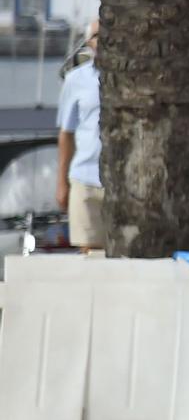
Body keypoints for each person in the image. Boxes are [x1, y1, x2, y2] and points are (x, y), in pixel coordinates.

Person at [55, 20, 102, 253]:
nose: (103, 41)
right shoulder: (75, 80)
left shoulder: (136, 80)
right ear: (88, 43)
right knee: (89, 254)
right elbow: (66, 134)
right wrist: (61, 183)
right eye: (97, 35)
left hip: (124, 181)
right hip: (85, 177)